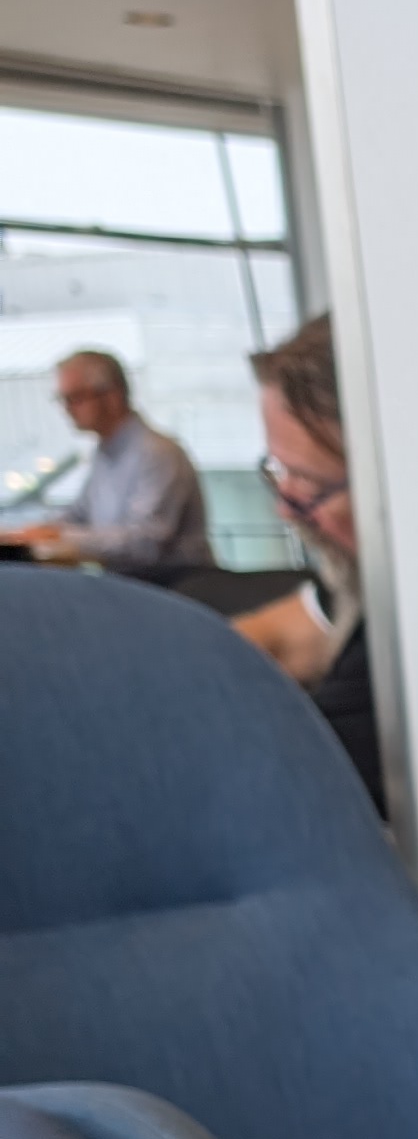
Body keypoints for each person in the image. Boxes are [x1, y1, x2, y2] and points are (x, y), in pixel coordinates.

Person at [232, 319, 389, 812]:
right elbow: (283, 636)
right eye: (279, 472)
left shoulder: (398, 659)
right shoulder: (362, 577)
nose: (286, 508)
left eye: (307, 483)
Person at [0, 354, 213, 579]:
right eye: (63, 399)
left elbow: (145, 543)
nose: (67, 409)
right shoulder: (104, 453)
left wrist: (58, 536)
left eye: (76, 398)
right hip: (129, 583)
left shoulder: (157, 453)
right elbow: (78, 515)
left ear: (112, 396)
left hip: (174, 585)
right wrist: (26, 534)